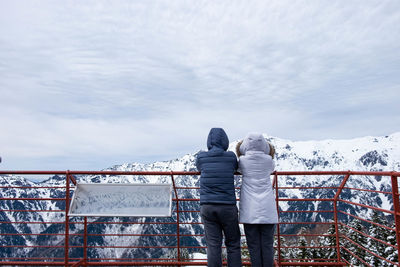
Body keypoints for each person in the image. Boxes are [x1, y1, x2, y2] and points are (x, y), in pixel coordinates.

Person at [196, 128, 242, 267]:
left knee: (213, 245)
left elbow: (199, 168)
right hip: (227, 206)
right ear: (225, 141)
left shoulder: (201, 157)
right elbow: (235, 168)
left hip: (207, 206)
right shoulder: (231, 157)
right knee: (233, 243)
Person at [236, 133, 278, 267]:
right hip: (268, 209)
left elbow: (238, 168)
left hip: (250, 210)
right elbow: (272, 168)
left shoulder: (242, 161)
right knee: (267, 245)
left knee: (253, 246)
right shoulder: (269, 161)